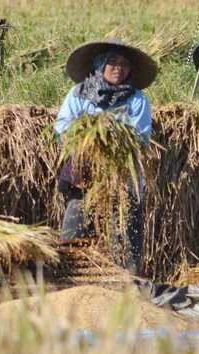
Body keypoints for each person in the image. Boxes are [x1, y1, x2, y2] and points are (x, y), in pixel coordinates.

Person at [54, 38, 157, 275]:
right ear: (100, 65)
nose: (118, 68)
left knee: (125, 240)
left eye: (124, 64)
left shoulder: (137, 100)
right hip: (84, 177)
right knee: (73, 231)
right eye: (112, 62)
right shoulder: (79, 94)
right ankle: (69, 281)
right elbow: (62, 127)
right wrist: (85, 141)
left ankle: (129, 286)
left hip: (121, 181)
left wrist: (111, 137)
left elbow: (139, 139)